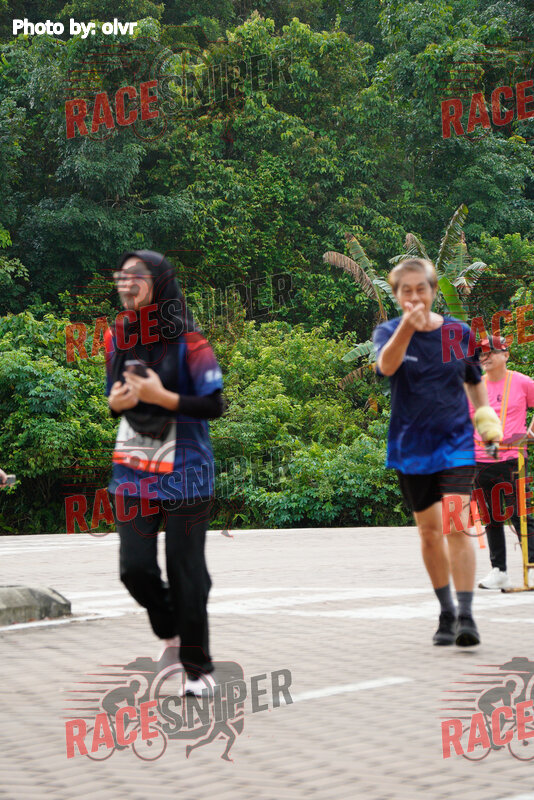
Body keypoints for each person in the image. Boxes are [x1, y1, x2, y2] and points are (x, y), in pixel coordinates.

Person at [105, 249, 225, 696]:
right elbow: (115, 396)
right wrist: (116, 402)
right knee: (134, 569)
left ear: (160, 284)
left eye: (136, 275)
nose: (126, 282)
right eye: (121, 275)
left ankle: (196, 668)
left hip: (187, 472)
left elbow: (214, 405)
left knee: (185, 570)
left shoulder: (192, 342)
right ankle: (175, 625)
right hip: (133, 471)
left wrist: (163, 397)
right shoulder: (117, 337)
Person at [373, 257, 502, 647]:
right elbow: (386, 367)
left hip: (456, 444)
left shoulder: (458, 333)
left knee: (457, 525)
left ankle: (466, 615)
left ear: (432, 291)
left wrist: (486, 423)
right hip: (411, 448)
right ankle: (445, 610)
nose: (414, 297)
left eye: (421, 289)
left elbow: (474, 381)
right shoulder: (388, 332)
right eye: (406, 291)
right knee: (430, 533)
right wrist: (407, 329)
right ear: (397, 295)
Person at [468, 335, 534, 590]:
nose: (485, 357)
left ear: (505, 355)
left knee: (520, 515)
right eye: (481, 353)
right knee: (491, 517)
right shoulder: (476, 386)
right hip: (481, 460)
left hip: (512, 460)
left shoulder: (521, 382)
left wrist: (530, 432)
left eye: (491, 352)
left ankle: (532, 566)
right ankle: (499, 571)